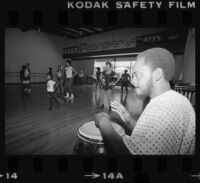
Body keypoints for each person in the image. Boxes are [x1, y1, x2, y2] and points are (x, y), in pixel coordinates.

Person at [95, 48, 195, 155]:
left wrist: (103, 121)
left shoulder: (165, 108)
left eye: (137, 75)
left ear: (157, 74)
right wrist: (129, 120)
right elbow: (147, 136)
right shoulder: (168, 100)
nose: (133, 81)